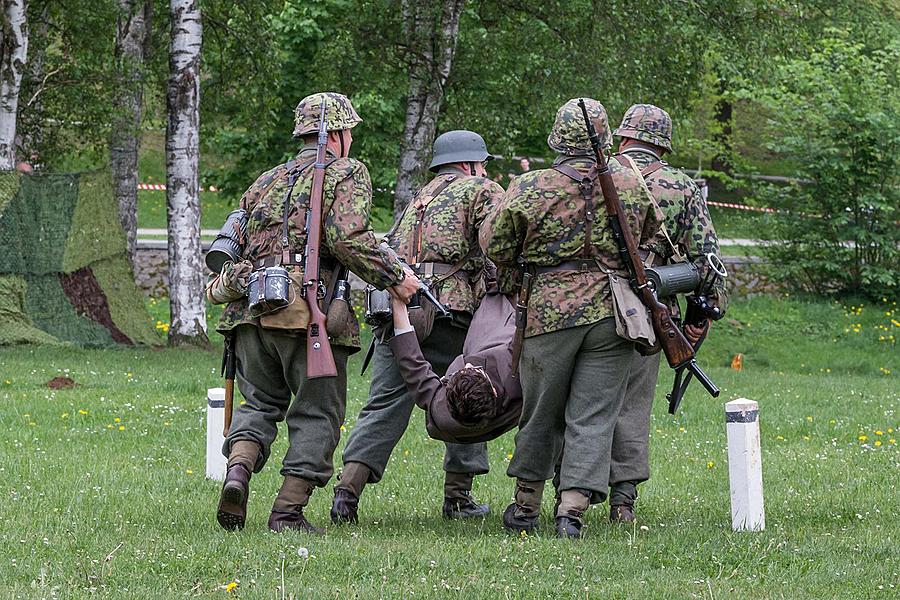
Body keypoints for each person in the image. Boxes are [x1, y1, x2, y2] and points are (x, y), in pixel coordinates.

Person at [210, 92, 420, 534]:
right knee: (317, 412)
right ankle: (287, 512)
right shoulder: (346, 171)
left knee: (260, 403)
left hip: (249, 312)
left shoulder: (265, 179)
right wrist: (394, 276)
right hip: (308, 311)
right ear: (340, 134)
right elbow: (348, 238)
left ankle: (238, 473)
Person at [481, 98, 665, 539]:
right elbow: (650, 235)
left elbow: (496, 246)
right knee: (595, 414)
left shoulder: (530, 186)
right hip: (613, 312)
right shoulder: (629, 181)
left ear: (557, 137)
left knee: (541, 410)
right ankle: (572, 510)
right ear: (605, 137)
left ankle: (526, 504)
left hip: (549, 311)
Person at [333, 130, 504, 525]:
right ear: (471, 163)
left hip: (401, 312)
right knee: (469, 392)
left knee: (384, 404)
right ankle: (458, 498)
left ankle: (346, 493)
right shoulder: (480, 188)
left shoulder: (420, 197)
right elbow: (500, 243)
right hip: (451, 312)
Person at [606, 104, 727, 523]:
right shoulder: (681, 186)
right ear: (662, 144)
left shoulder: (594, 173)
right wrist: (700, 320)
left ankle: (571, 499)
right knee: (633, 406)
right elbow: (708, 262)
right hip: (648, 309)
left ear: (623, 138)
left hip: (584, 301)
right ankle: (622, 502)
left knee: (580, 402)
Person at [386, 276, 521, 444]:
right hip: (509, 329)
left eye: (464, 369)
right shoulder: (518, 373)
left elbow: (412, 363)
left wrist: (398, 302)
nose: (469, 363)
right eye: (475, 370)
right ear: (493, 391)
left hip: (493, 328)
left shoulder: (440, 408)